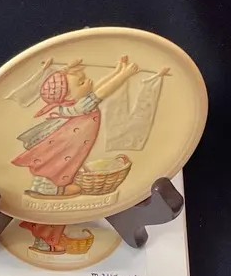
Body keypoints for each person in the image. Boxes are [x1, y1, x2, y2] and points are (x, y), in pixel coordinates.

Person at [11, 56, 141, 198]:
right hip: (70, 144)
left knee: (50, 161)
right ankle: (51, 190)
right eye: (81, 82)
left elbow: (99, 86)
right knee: (59, 163)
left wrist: (118, 70)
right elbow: (105, 90)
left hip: (66, 141)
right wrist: (125, 75)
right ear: (68, 95)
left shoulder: (74, 102)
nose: (89, 81)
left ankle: (38, 186)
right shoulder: (81, 105)